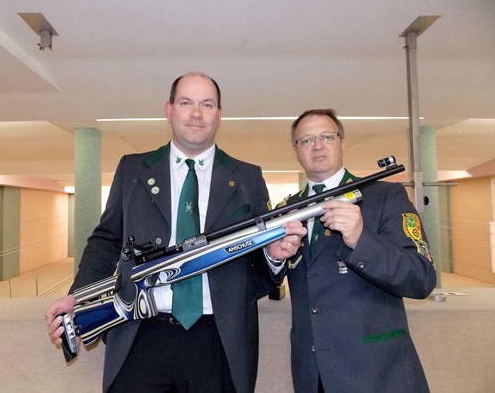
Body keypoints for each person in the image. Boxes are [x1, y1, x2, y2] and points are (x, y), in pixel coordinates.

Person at [45, 72, 306, 393]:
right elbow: (106, 241)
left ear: (219, 115)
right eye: (186, 103)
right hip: (140, 336)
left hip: (219, 342)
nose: (196, 113)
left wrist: (273, 257)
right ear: (169, 110)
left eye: (206, 104)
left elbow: (257, 270)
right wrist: (79, 296)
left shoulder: (247, 177)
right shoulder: (133, 169)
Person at [271, 109, 437, 393]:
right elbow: (265, 281)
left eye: (327, 137)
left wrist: (362, 239)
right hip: (313, 373)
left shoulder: (385, 196)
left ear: (343, 143)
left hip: (377, 371)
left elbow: (421, 278)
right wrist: (274, 259)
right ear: (296, 150)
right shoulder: (286, 210)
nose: (317, 145)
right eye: (306, 140)